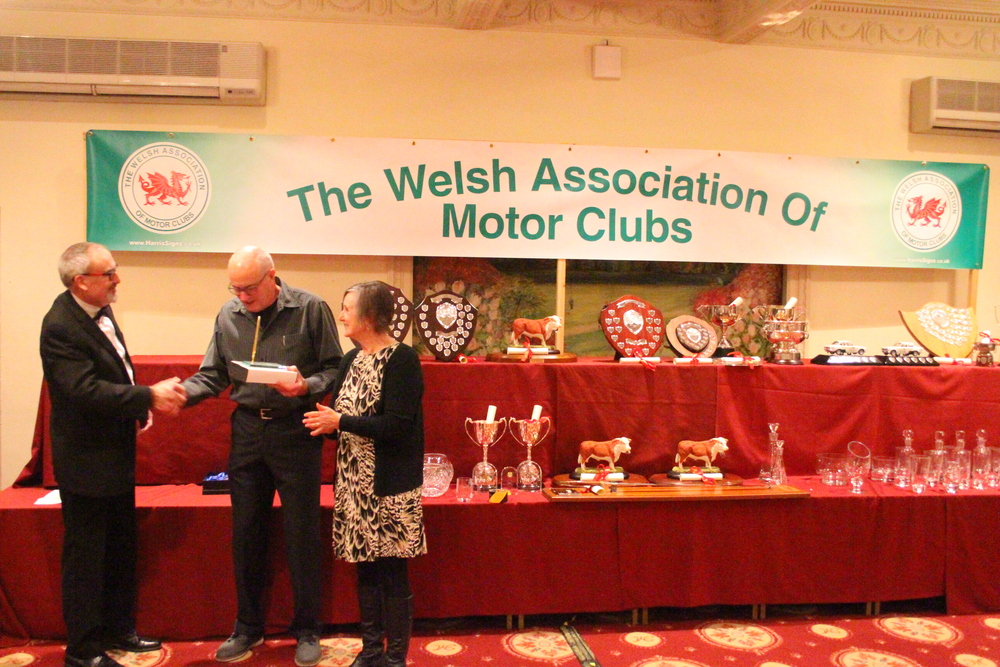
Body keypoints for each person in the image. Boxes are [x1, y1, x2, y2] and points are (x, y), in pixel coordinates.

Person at [180, 246, 342, 666]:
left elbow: (334, 368)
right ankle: (247, 627)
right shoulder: (228, 314)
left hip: (295, 429)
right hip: (248, 429)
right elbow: (213, 374)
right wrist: (181, 394)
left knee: (301, 532)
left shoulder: (309, 309)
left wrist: (305, 386)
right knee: (246, 531)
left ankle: (307, 629)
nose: (242, 297)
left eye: (249, 288)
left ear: (273, 277)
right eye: (235, 288)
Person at [40, 242, 186, 667]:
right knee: (86, 560)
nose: (117, 278)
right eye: (108, 274)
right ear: (80, 282)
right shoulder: (60, 325)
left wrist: (137, 410)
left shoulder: (98, 309)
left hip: (114, 456)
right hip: (85, 463)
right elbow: (83, 390)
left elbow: (116, 369)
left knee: (119, 550)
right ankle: (84, 651)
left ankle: (120, 631)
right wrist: (147, 396)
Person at [303, 281, 426, 667]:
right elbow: (341, 420)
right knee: (366, 571)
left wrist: (341, 421)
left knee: (392, 571)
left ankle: (396, 657)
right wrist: (325, 423)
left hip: (390, 486)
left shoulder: (403, 359)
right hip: (354, 486)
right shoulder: (349, 360)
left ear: (369, 316)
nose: (341, 316)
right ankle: (371, 651)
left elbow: (397, 426)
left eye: (347, 308)